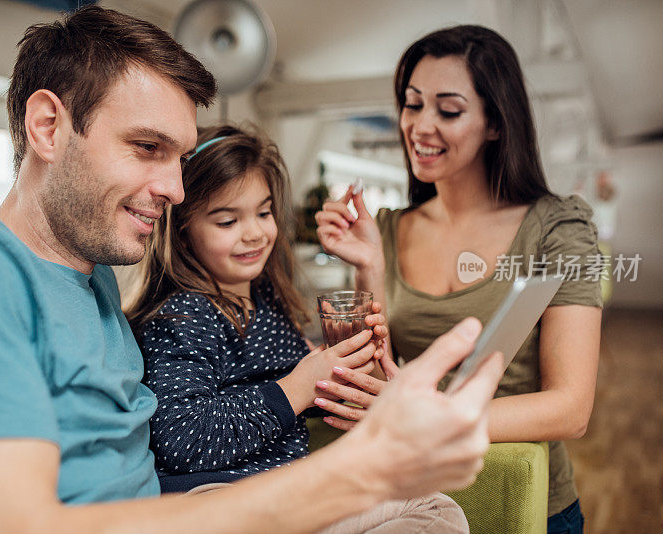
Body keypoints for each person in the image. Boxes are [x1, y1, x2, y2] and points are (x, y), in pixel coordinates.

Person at [0, 8, 503, 534]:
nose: (175, 189)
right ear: (47, 126)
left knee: (430, 510)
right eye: (147, 148)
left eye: (179, 158)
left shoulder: (93, 282)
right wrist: (365, 469)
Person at [315, 25, 602, 533]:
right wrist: (370, 268)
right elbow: (375, 379)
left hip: (524, 495)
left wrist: (426, 413)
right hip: (409, 498)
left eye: (448, 110)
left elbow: (571, 408)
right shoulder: (387, 229)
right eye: (412, 104)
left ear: (496, 122)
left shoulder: (558, 227)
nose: (421, 126)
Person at [125, 124, 469, 532]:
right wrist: (298, 387)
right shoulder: (183, 316)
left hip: (280, 492)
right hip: (214, 500)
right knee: (432, 511)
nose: (254, 233)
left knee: (428, 503)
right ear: (182, 230)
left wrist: (366, 275)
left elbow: (331, 394)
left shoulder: (267, 304)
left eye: (264, 212)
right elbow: (181, 439)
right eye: (226, 221)